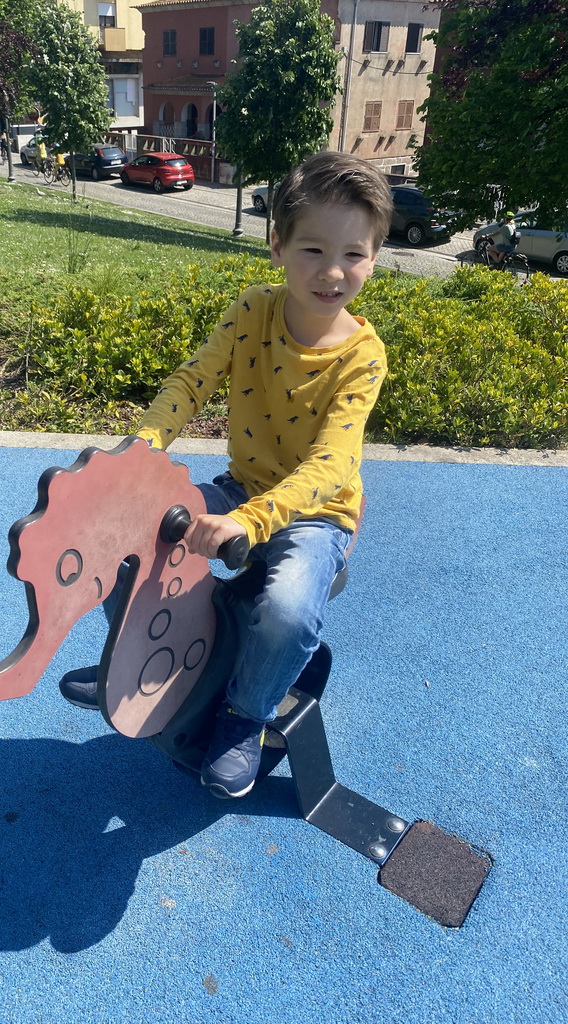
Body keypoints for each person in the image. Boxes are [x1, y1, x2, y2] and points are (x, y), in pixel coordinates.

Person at [61, 150, 393, 800]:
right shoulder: (253, 312)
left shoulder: (363, 357)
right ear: (277, 246)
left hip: (317, 515)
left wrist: (249, 521)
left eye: (353, 254)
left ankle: (245, 715)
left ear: (374, 256)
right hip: (244, 489)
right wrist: (142, 452)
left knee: (290, 612)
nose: (332, 272)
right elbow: (193, 381)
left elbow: (331, 465)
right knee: (117, 536)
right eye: (312, 251)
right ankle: (135, 661)